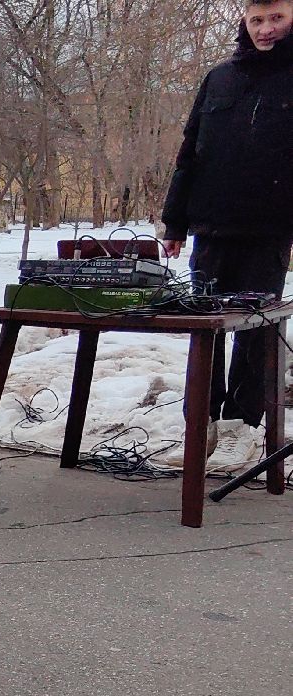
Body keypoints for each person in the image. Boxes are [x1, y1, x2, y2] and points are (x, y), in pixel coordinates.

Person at [162, 0, 293, 430]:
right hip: (211, 228)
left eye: (277, 18)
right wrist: (175, 222)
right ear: (244, 22)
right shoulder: (219, 79)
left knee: (256, 332)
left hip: (270, 230)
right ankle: (201, 425)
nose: (266, 29)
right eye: (257, 20)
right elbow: (190, 152)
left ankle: (243, 426)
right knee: (205, 327)